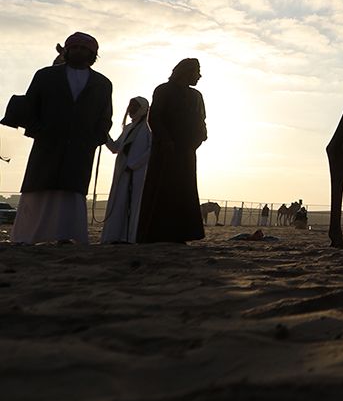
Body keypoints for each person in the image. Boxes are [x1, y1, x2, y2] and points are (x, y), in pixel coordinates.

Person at [3, 32, 113, 244]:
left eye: (84, 49)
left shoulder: (102, 83)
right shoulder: (45, 76)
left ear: (92, 54)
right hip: (47, 143)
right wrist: (39, 130)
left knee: (72, 190)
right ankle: (27, 237)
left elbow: (105, 116)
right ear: (67, 51)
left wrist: (95, 138)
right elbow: (31, 105)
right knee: (39, 186)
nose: (79, 52)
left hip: (80, 148)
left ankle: (68, 237)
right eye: (75, 48)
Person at [136, 58, 208, 243]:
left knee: (184, 190)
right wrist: (166, 140)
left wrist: (197, 140)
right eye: (196, 71)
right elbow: (156, 118)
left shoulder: (196, 96)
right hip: (165, 150)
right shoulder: (163, 90)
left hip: (187, 150)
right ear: (185, 72)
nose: (199, 76)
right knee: (162, 189)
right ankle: (154, 234)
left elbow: (201, 121)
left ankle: (181, 234)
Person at [99, 96, 151, 244]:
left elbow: (151, 150)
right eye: (130, 106)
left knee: (135, 204)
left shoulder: (148, 128)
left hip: (138, 172)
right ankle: (114, 237)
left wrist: (134, 164)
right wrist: (103, 134)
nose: (131, 110)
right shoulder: (129, 128)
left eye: (134, 107)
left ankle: (131, 237)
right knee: (119, 203)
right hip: (122, 172)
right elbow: (116, 148)